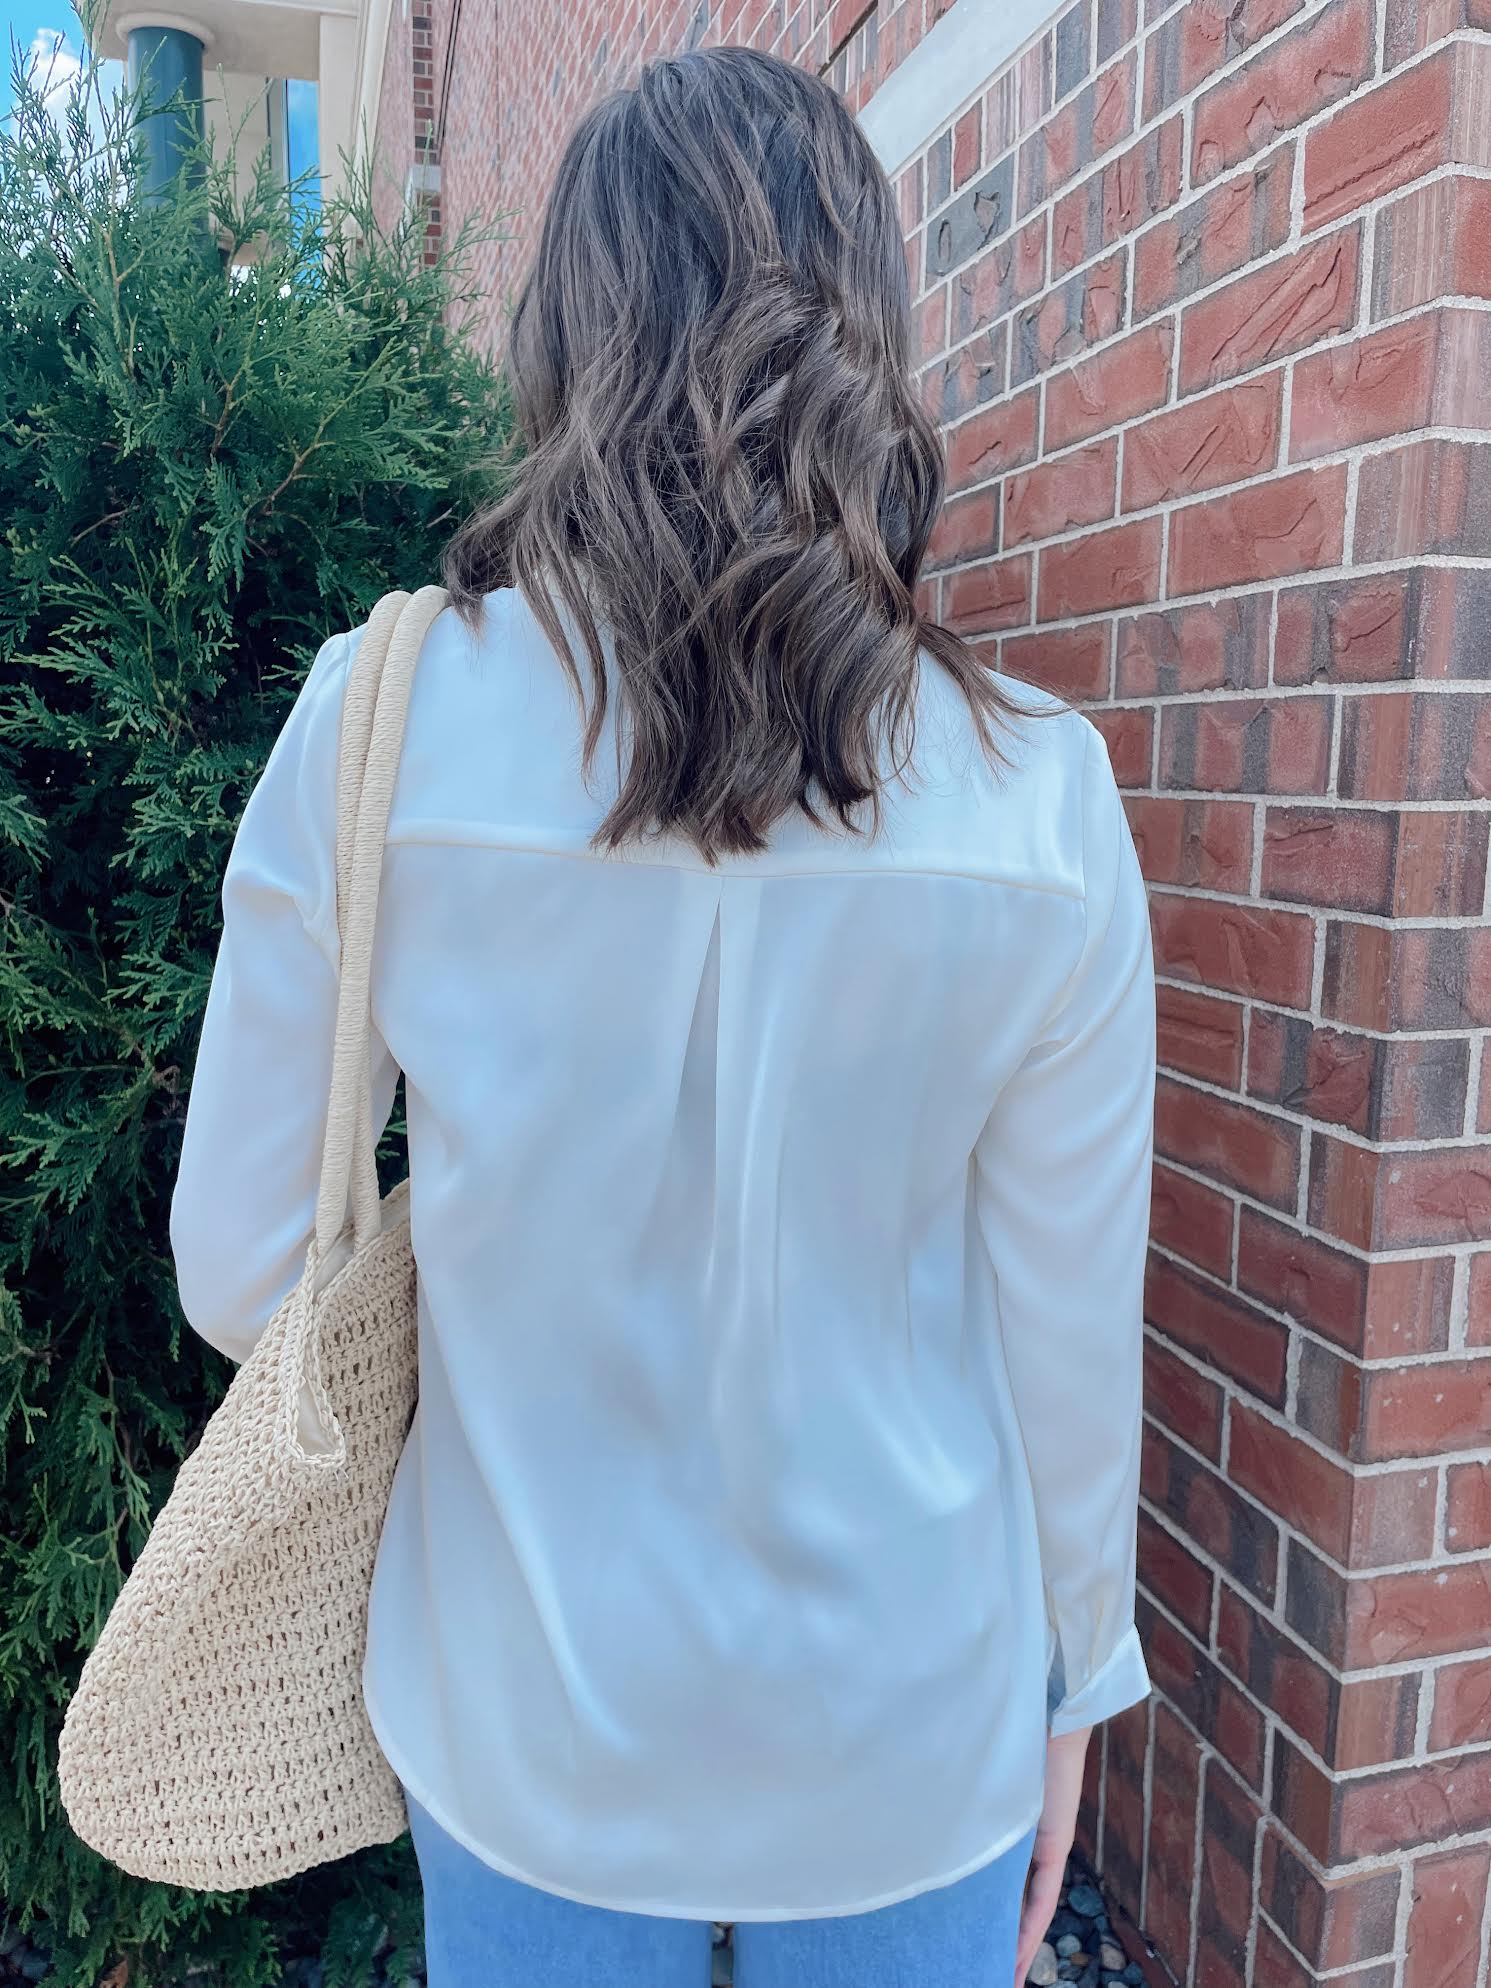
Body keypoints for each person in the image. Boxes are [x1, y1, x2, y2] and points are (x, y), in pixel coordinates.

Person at [167, 42, 1155, 1988]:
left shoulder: (380, 724)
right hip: (906, 1741)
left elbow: (239, 1268)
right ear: (868, 334)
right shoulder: (1039, 798)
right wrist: (1076, 1686)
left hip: (526, 1726)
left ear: (567, 334)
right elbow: (1065, 1344)